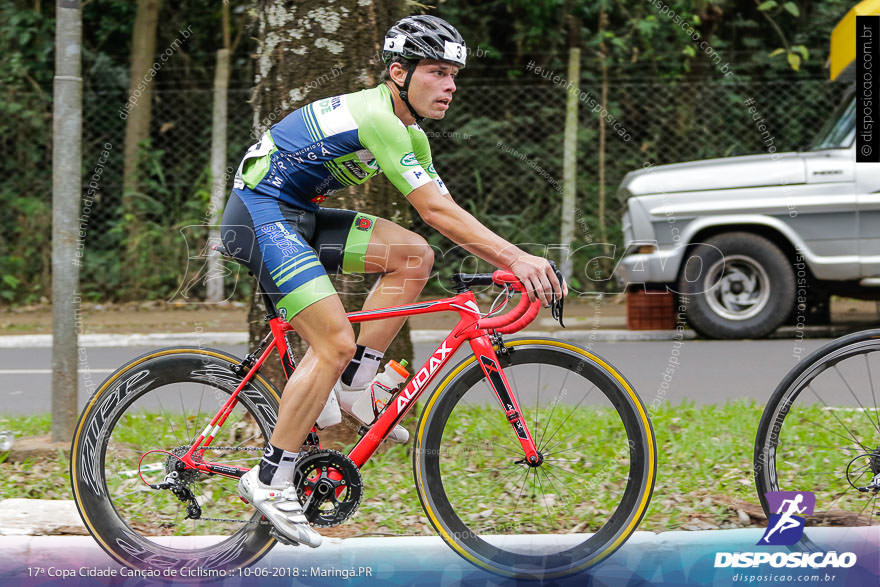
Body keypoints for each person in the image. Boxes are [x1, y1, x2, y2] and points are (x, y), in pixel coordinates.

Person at [226, 14, 566, 547]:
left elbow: (447, 212)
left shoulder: (410, 134)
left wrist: (506, 255)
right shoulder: (378, 118)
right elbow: (433, 208)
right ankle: (270, 477)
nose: (450, 85)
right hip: (259, 212)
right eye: (436, 72)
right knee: (333, 340)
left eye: (454, 75)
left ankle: (356, 383)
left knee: (412, 256)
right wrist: (518, 258)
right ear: (398, 72)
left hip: (300, 214)